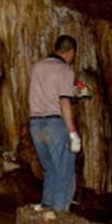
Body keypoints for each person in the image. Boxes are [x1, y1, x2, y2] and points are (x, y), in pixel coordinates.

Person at [27, 35, 82, 212]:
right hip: (55, 124)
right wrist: (73, 133)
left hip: (36, 125)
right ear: (70, 52)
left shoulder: (38, 66)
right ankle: (59, 215)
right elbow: (64, 102)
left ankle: (46, 209)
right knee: (64, 172)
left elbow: (45, 91)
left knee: (49, 170)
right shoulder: (65, 70)